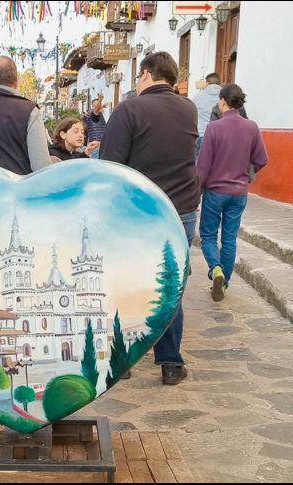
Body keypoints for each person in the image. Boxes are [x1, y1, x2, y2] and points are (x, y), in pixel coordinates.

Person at [100, 52, 200, 386]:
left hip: (138, 212)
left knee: (127, 283)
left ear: (145, 74)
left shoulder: (129, 109)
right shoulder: (188, 109)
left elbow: (111, 164)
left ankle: (124, 360)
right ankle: (171, 363)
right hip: (181, 209)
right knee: (171, 285)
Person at [197, 84, 269, 302]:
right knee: (229, 239)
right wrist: (246, 173)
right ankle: (224, 282)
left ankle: (215, 269)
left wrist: (197, 190)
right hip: (239, 193)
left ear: (222, 101)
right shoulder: (252, 127)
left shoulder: (214, 128)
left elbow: (203, 165)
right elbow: (262, 159)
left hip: (215, 192)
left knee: (208, 235)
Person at [193, 73, 221, 156]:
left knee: (198, 162)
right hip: (218, 136)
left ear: (207, 83)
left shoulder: (198, 96)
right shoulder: (223, 98)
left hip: (200, 133)